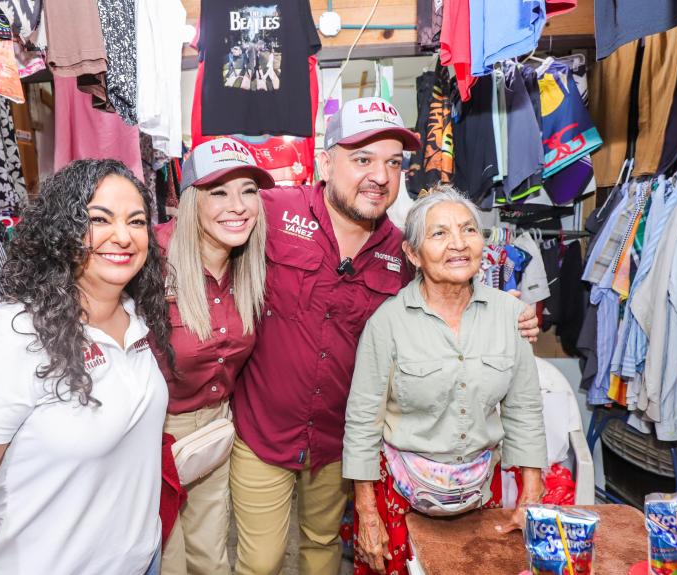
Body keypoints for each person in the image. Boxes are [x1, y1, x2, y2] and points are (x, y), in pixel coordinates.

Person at [230, 96, 541, 575]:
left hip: (339, 441)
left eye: (394, 163)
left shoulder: (404, 249)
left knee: (322, 548)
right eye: (362, 159)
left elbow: (449, 293)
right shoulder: (271, 212)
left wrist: (508, 313)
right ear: (325, 161)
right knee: (262, 561)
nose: (380, 175)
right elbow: (199, 234)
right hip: (263, 429)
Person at [0, 159, 174, 575]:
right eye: (98, 219)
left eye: (137, 221)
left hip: (143, 561)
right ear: (62, 231)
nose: (123, 236)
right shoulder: (13, 335)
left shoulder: (137, 317)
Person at [343, 187, 547, 574]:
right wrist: (366, 511)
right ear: (413, 254)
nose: (458, 244)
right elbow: (362, 423)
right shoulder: (387, 323)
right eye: (439, 234)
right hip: (400, 496)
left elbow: (524, 409)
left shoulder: (511, 315)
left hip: (479, 491)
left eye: (469, 230)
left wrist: (530, 492)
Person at [156, 138, 274, 575]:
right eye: (219, 191)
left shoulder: (253, 264)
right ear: (191, 201)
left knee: (210, 554)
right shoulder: (150, 257)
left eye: (248, 191)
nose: (238, 205)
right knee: (165, 555)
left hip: (215, 428)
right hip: (155, 432)